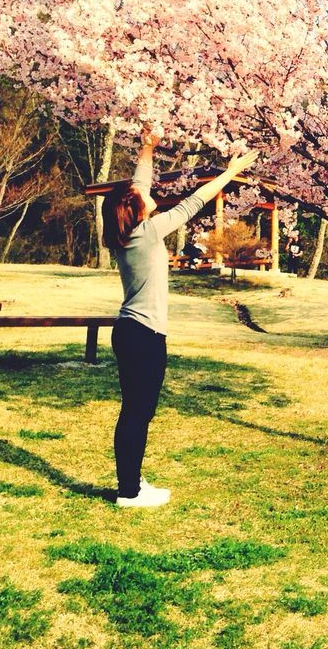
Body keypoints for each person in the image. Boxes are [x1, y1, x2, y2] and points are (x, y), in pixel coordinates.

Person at [102, 132, 258, 508]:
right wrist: (231, 172)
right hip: (143, 336)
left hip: (132, 332)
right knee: (138, 413)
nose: (146, 191)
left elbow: (139, 182)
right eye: (141, 196)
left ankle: (132, 483)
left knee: (137, 411)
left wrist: (148, 147)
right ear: (136, 209)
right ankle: (129, 492)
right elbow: (194, 203)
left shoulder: (130, 233)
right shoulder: (147, 233)